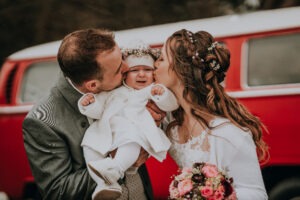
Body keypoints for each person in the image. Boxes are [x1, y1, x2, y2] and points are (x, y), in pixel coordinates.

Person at [22, 28, 164, 200]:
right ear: (93, 86)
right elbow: (57, 191)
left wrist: (150, 118)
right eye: (119, 68)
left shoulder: (114, 80)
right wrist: (115, 163)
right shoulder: (42, 120)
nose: (127, 68)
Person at [154, 29, 270, 199]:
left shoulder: (228, 133)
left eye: (161, 58)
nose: (155, 64)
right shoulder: (171, 121)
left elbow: (256, 193)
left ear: (181, 70)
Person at [78, 43, 178, 200]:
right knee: (89, 144)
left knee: (131, 141)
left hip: (135, 130)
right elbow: (98, 109)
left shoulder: (151, 91)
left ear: (154, 73)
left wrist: (161, 94)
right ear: (125, 74)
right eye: (135, 70)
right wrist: (89, 104)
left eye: (147, 70)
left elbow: (171, 104)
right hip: (106, 130)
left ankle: (116, 169)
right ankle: (105, 184)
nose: (141, 74)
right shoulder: (113, 92)